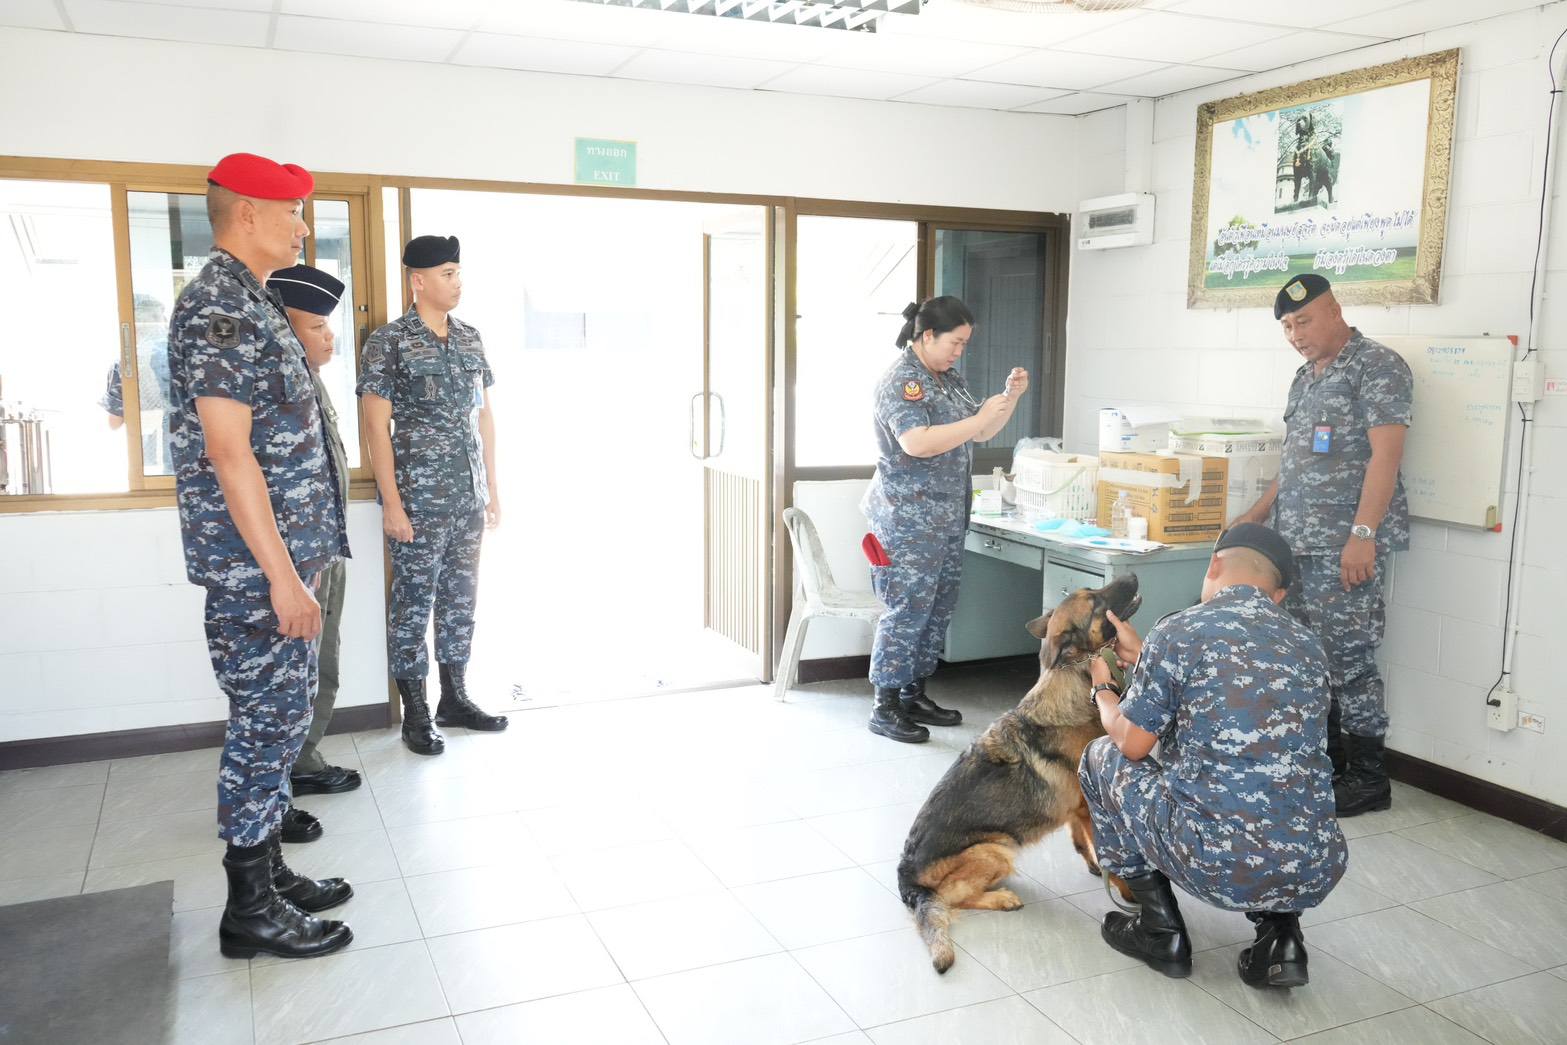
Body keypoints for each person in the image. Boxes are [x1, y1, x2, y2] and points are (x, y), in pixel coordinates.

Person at [166, 152, 353, 959]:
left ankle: (268, 875)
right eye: (291, 212)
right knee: (265, 726)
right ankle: (248, 909)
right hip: (256, 572)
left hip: (283, 562)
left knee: (281, 723)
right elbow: (228, 451)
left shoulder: (254, 299)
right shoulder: (220, 305)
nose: (302, 227)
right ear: (246, 213)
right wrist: (281, 577)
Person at [1080, 524, 1347, 989]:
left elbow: (1132, 743)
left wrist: (1104, 690)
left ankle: (1159, 930)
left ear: (1215, 563)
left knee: (1101, 756)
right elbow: (1238, 702)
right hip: (1313, 866)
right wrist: (1146, 658)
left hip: (1219, 864)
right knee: (1276, 787)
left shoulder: (1180, 629)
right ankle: (1281, 939)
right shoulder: (1309, 645)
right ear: (1278, 595)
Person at [1233, 273, 1412, 817]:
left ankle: (1368, 778)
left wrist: (1363, 535)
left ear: (1335, 310)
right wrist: (1257, 514)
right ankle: (1327, 765)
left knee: (1350, 661)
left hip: (1343, 548)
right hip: (1295, 544)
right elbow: (1295, 460)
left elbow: (1386, 457)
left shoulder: (1377, 366)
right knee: (1307, 658)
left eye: (1304, 321)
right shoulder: (1304, 378)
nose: (1296, 335)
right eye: (1288, 326)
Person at [358, 234, 506, 756]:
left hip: (467, 497)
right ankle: (416, 712)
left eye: (458, 272)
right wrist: (393, 503)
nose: (457, 282)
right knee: (413, 604)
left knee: (460, 599)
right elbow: (376, 428)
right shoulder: (389, 342)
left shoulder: (470, 337)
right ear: (417, 281)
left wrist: (492, 488)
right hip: (418, 502)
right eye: (447, 274)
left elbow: (484, 416)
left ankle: (455, 698)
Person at [861, 296, 1028, 743]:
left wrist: (1010, 399)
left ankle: (913, 692)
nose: (960, 351)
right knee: (906, 611)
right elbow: (917, 442)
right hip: (907, 520)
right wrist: (979, 418)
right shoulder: (903, 381)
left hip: (947, 516)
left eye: (965, 344)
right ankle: (885, 705)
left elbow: (982, 431)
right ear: (928, 335)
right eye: (955, 342)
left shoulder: (948, 379)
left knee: (937, 609)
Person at [268, 263, 363, 796]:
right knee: (294, 668)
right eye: (317, 326)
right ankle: (286, 773)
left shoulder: (310, 382)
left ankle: (303, 760)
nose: (329, 338)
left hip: (325, 548)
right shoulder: (278, 389)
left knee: (323, 659)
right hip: (300, 555)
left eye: (329, 326)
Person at [102, 294, 176, 471]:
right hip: (183, 459)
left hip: (147, 465)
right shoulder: (181, 357)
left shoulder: (124, 364)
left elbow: (114, 422)